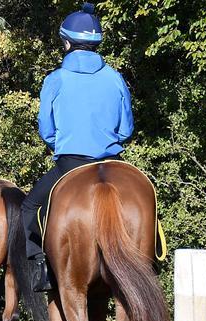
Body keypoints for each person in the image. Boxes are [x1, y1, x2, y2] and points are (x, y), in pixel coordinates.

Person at [22, 2, 134, 291]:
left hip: (70, 163)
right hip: (113, 163)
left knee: (30, 207)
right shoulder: (115, 77)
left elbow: (46, 130)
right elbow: (126, 129)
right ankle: (152, 258)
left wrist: (62, 142)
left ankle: (42, 270)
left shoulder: (55, 79)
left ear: (67, 42)